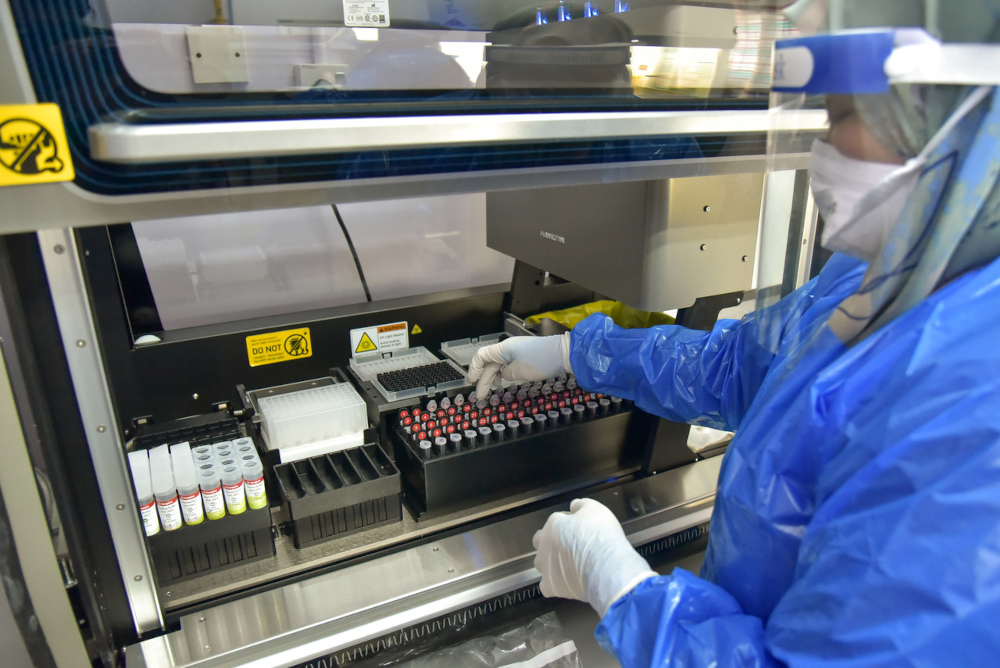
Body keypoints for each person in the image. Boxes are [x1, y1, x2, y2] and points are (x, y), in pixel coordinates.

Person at [467, 2, 1000, 665]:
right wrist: (573, 351)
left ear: (958, 116)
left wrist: (626, 591)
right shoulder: (885, 271)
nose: (820, 152)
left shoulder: (976, 399)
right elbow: (740, 367)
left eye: (841, 119)